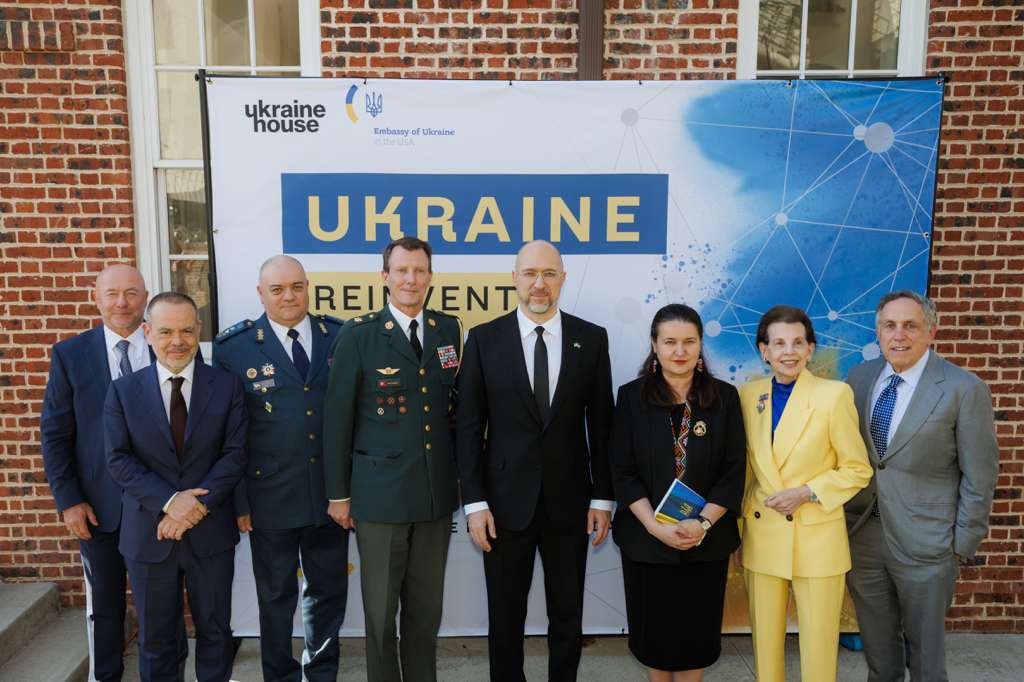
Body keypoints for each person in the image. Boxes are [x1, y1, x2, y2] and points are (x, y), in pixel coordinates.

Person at [455, 239, 614, 682]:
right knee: (505, 617)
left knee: (568, 616)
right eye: (530, 274)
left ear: (563, 278)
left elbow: (602, 427)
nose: (538, 284)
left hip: (571, 504)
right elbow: (468, 429)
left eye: (548, 274)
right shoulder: (484, 340)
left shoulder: (592, 338)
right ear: (515, 279)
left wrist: (603, 498)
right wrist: (474, 503)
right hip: (503, 507)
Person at [323, 237, 461, 682]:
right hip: (379, 499)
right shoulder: (359, 334)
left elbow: (450, 410)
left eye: (419, 271)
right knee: (381, 618)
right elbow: (337, 421)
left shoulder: (448, 329)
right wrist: (338, 495)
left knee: (425, 614)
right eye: (401, 270)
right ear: (384, 277)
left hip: (434, 497)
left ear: (430, 277)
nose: (411, 279)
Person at [845, 291, 998, 682]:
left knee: (927, 661)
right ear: (877, 333)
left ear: (931, 331)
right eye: (889, 326)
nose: (899, 335)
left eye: (910, 325)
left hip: (928, 544)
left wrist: (959, 547)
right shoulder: (859, 378)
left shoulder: (963, 389)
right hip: (864, 536)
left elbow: (980, 476)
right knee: (879, 656)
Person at [212, 255, 348, 682]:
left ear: (308, 287)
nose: (288, 296)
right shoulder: (234, 349)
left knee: (327, 594)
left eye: (296, 286)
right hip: (269, 498)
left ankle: (321, 672)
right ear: (260, 293)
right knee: (276, 597)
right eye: (277, 289)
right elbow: (228, 435)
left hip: (331, 495)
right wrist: (239, 501)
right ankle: (279, 674)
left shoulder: (339, 337)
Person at [104, 292, 247, 682]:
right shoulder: (123, 391)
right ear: (147, 332)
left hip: (210, 534)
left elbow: (235, 454)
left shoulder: (227, 386)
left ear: (199, 330)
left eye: (187, 329)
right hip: (149, 534)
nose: (177, 340)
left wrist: (193, 508)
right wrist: (170, 504)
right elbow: (118, 459)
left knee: (216, 633)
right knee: (156, 639)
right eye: (166, 331)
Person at [610, 304, 746, 682]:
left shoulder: (725, 398)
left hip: (706, 541)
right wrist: (655, 527)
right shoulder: (631, 397)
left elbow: (733, 472)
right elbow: (622, 471)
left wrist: (701, 524)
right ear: (654, 345)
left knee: (695, 641)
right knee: (655, 639)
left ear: (701, 345)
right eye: (670, 342)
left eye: (689, 341)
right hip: (647, 542)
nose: (680, 350)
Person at [738, 304, 872, 682]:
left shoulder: (834, 395)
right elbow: (744, 470)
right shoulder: (748, 396)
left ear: (811, 349)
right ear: (763, 350)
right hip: (762, 535)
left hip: (817, 538)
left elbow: (857, 469)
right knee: (765, 650)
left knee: (818, 650)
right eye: (778, 343)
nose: (788, 352)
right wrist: (736, 531)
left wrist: (808, 492)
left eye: (798, 342)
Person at [40, 264, 160, 682]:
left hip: (157, 505)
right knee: (105, 607)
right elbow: (55, 434)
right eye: (112, 294)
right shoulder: (70, 355)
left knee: (159, 610)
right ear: (97, 298)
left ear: (146, 297)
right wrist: (68, 500)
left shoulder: (166, 344)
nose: (122, 303)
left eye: (131, 293)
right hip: (98, 508)